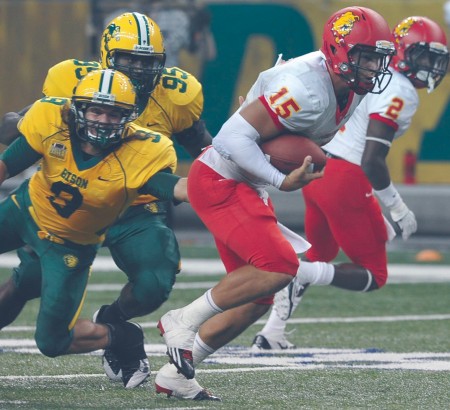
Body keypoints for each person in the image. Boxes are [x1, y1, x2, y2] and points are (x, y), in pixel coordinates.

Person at [154, 6, 396, 400]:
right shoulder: (306, 87)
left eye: (376, 59)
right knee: (281, 266)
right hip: (220, 179)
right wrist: (281, 177)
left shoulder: (345, 88)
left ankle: (177, 373)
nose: (372, 67)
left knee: (257, 298)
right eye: (365, 57)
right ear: (338, 51)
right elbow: (230, 140)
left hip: (243, 185)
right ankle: (182, 319)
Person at [0, 12, 212, 390]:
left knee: (153, 282)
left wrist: (233, 179)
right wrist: (20, 123)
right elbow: (25, 134)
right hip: (67, 206)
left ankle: (114, 325)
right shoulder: (68, 88)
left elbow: (201, 156)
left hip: (135, 206)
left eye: (147, 62)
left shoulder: (171, 104)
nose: (138, 70)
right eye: (129, 59)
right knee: (26, 282)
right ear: (106, 56)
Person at [251, 15, 450, 351]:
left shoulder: (371, 76)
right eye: (424, 57)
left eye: (436, 59)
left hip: (320, 170)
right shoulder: (399, 91)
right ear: (402, 52)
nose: (431, 67)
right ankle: (295, 273)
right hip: (345, 177)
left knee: (321, 254)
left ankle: (271, 333)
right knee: (374, 275)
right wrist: (396, 206)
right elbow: (371, 159)